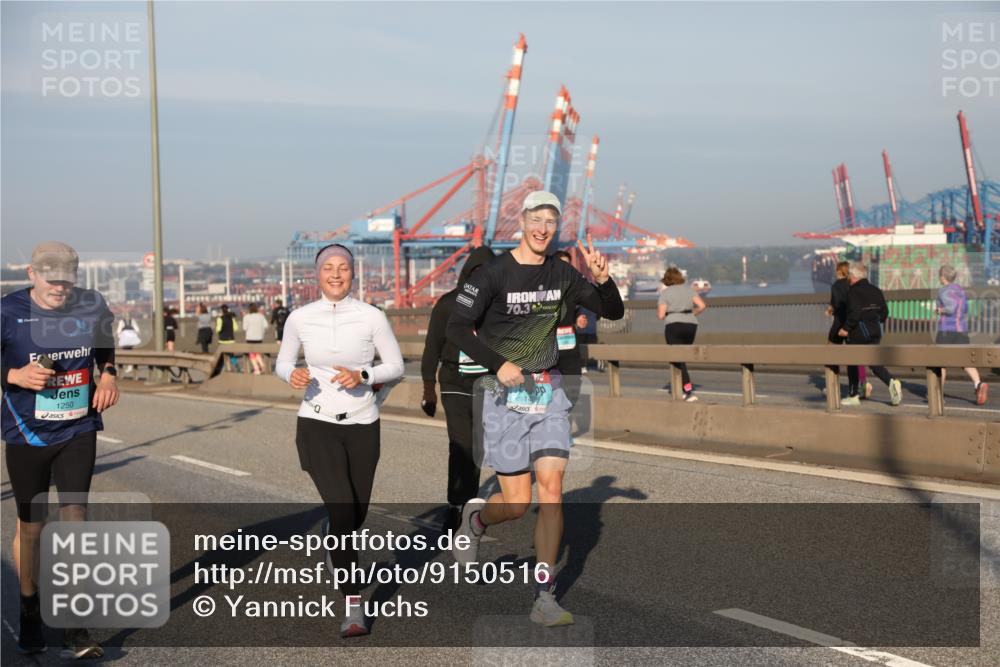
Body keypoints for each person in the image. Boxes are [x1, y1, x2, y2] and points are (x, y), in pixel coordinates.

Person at [446, 191, 625, 627]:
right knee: (516, 505)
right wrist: (499, 363)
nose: (543, 228)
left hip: (548, 392)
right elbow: (455, 326)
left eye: (551, 221)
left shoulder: (562, 272)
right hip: (504, 397)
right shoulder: (492, 274)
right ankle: (477, 520)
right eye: (536, 219)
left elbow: (613, 311)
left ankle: (544, 597)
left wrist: (603, 280)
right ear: (521, 222)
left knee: (551, 489)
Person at [275, 243, 404, 638]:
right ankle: (353, 606)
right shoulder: (299, 318)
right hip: (316, 423)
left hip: (364, 424)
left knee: (356, 514)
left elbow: (396, 365)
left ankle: (335, 543)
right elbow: (283, 361)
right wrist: (290, 375)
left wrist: (363, 376)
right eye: (328, 268)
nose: (335, 274)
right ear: (317, 274)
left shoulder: (371, 316)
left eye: (342, 268)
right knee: (344, 513)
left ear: (353, 273)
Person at [1, 242, 118, 659]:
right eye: (52, 282)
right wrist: (13, 373)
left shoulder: (91, 304)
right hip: (26, 433)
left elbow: (106, 342)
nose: (60, 290)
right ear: (31, 274)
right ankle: (31, 609)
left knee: (75, 519)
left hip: (78, 428)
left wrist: (107, 375)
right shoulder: (7, 311)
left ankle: (74, 624)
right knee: (31, 526)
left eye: (67, 282)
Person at [420, 246, 496, 531]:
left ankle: (468, 503)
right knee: (460, 444)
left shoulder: (498, 305)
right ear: (467, 273)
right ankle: (455, 504)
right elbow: (432, 348)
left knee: (476, 448)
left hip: (486, 386)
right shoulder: (448, 304)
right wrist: (429, 389)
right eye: (477, 272)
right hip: (453, 382)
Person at [838, 262, 902, 406]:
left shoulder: (853, 291)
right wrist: (876, 320)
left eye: (849, 275)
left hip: (859, 332)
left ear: (854, 277)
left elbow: (854, 313)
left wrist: (846, 329)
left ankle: (853, 395)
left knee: (853, 361)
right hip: (875, 331)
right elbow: (884, 312)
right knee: (873, 362)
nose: (848, 278)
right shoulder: (876, 290)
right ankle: (892, 382)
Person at [936, 265, 988, 405]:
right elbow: (965, 309)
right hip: (961, 330)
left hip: (946, 330)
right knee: (965, 361)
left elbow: (950, 307)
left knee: (940, 363)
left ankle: (937, 395)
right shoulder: (960, 290)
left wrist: (940, 310)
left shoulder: (943, 291)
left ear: (943, 277)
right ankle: (978, 384)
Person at [656, 267, 707, 402]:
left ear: (667, 279)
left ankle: (687, 390)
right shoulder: (689, 290)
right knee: (682, 357)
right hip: (691, 325)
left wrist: (673, 313)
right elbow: (702, 305)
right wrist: (691, 314)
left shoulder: (665, 293)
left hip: (673, 325)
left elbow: (661, 315)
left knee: (677, 358)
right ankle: (684, 387)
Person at [826, 261, 871, 399]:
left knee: (830, 353)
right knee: (856, 356)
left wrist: (830, 310)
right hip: (854, 325)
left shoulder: (836, 286)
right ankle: (864, 384)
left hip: (840, 324)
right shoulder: (852, 285)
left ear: (839, 271)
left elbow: (837, 305)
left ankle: (831, 385)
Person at [242, 303, 269, 375]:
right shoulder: (261, 316)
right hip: (259, 337)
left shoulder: (246, 317)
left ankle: (257, 369)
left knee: (252, 354)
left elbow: (244, 328)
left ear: (249, 309)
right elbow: (266, 325)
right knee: (257, 353)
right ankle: (263, 366)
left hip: (250, 338)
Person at [216, 304, 240, 372]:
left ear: (221, 311)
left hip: (222, 340)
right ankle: (237, 367)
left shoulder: (220, 318)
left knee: (222, 356)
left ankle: (222, 369)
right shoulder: (232, 318)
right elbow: (236, 328)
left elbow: (218, 329)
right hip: (231, 340)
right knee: (231, 355)